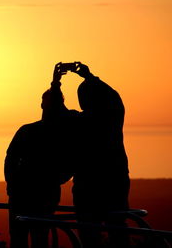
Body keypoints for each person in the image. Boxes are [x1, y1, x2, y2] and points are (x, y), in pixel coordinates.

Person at [4, 73, 77, 248]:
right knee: (35, 237)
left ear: (42, 104)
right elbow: (11, 158)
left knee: (27, 237)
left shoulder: (30, 130)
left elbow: (10, 158)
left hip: (30, 192)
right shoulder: (61, 134)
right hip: (32, 192)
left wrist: (11, 184)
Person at [69, 63, 130, 248]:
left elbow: (54, 112)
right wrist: (90, 77)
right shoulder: (113, 116)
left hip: (88, 185)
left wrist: (56, 84)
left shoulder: (80, 122)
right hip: (116, 180)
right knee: (118, 230)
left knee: (89, 235)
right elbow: (114, 97)